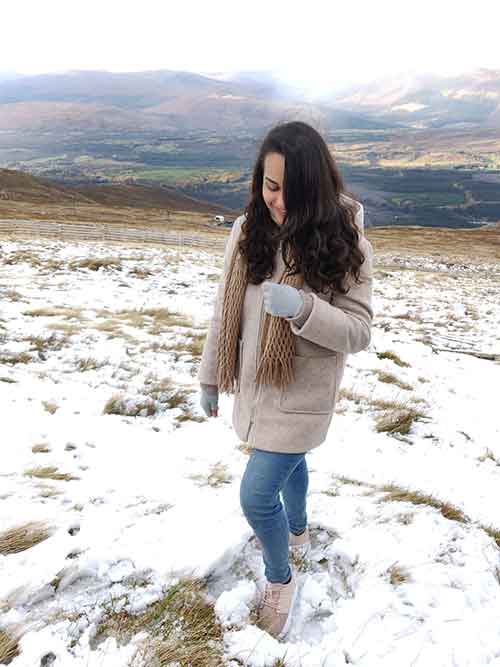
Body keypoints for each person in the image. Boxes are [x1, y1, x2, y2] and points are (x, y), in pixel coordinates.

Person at [198, 120, 374, 641]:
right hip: (255, 389)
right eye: (270, 186)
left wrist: (305, 307)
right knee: (289, 467)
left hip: (301, 399)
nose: (277, 201)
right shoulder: (247, 228)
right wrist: (210, 376)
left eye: (291, 191)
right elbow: (222, 311)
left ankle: (281, 578)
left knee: (255, 497)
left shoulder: (346, 243)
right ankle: (296, 530)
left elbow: (359, 331)